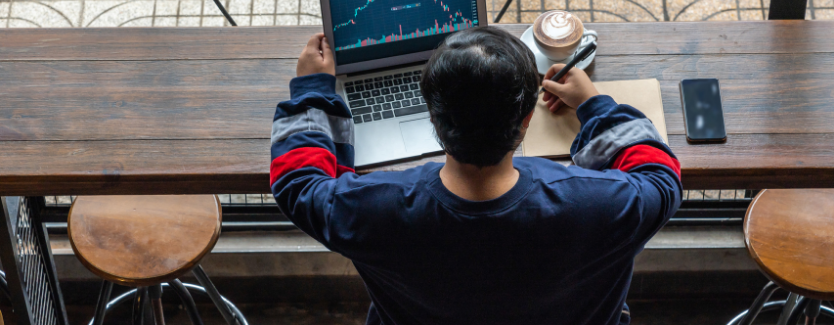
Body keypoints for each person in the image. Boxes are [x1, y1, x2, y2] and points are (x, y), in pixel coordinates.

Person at [270, 27, 682, 325]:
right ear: (524, 123)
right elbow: (661, 176)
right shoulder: (600, 206)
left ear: (433, 120)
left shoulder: (372, 210)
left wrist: (312, 88)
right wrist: (595, 104)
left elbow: (299, 184)